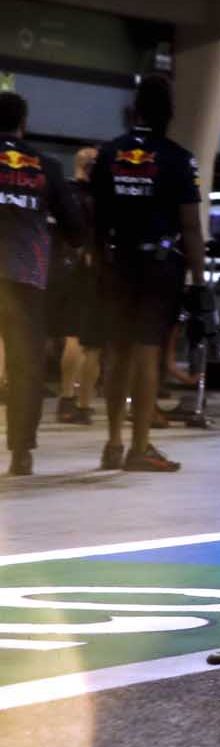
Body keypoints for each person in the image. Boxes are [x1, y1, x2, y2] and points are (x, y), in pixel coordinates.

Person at [91, 75, 207, 473]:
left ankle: (112, 442)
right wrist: (200, 279)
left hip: (117, 263)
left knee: (117, 353)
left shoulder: (108, 154)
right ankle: (139, 447)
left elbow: (96, 218)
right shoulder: (178, 158)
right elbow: (190, 225)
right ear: (168, 114)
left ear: (134, 109)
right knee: (146, 353)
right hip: (158, 266)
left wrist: (99, 263)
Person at [0, 92, 83, 475]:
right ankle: (21, 451)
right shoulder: (46, 167)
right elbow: (75, 227)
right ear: (24, 123)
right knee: (24, 367)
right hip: (26, 280)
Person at [54, 147, 101, 427]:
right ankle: (84, 404)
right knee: (92, 344)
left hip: (65, 268)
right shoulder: (102, 197)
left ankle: (65, 398)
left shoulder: (65, 193)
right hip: (92, 270)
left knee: (71, 337)